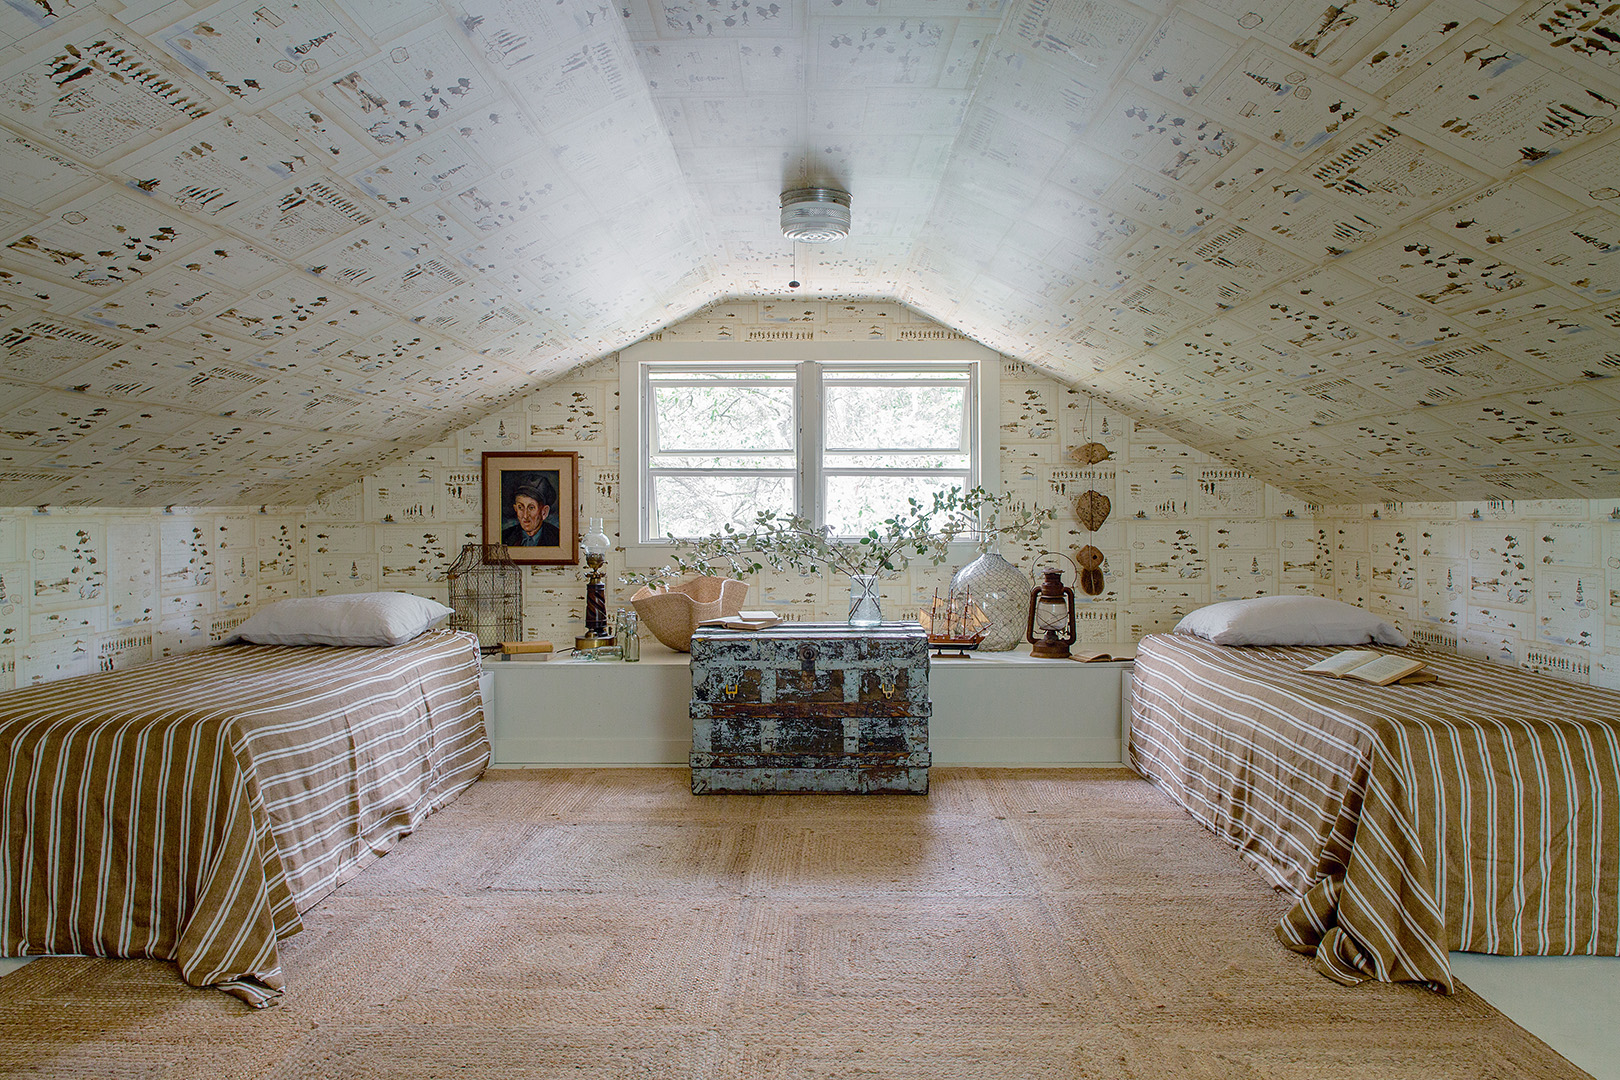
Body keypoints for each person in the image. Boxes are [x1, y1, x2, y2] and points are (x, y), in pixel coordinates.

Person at [502, 474, 559, 547]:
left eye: (531, 508)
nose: (525, 516)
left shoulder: (556, 538)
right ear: (515, 509)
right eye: (520, 507)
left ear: (544, 512)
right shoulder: (505, 536)